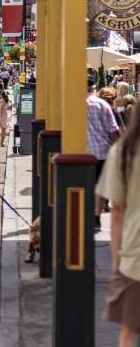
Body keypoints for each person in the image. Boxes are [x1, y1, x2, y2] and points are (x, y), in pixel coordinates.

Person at [96, 107, 140, 347]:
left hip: (134, 256)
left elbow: (116, 213)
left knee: (128, 331)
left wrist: (116, 264)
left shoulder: (124, 152)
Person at [87, 78, 120, 232]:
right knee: (99, 188)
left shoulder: (70, 103)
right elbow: (114, 130)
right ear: (94, 88)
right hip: (102, 153)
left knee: (83, 186)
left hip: (81, 153)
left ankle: (83, 214)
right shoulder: (102, 104)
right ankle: (96, 219)